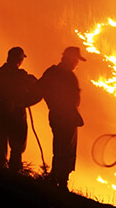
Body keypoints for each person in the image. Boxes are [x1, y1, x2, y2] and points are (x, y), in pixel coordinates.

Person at [36, 46, 86, 189]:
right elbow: (73, 100)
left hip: (58, 116)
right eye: (76, 60)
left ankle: (56, 178)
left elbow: (38, 90)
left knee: (59, 147)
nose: (77, 63)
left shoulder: (51, 72)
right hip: (66, 117)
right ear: (70, 58)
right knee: (66, 149)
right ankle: (61, 181)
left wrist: (25, 100)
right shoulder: (68, 76)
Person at [0, 47, 41, 172]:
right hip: (16, 113)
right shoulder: (21, 76)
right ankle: (14, 168)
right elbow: (38, 89)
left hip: (1, 110)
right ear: (20, 59)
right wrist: (23, 102)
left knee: (1, 138)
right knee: (17, 143)